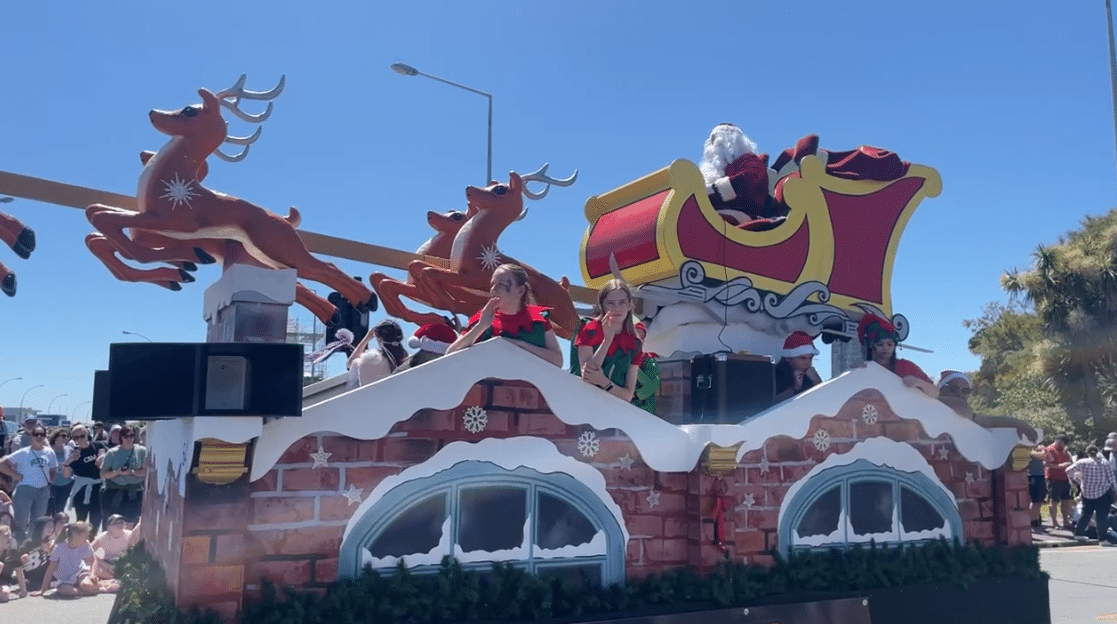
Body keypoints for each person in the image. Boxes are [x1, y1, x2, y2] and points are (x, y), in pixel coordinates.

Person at [445, 264, 564, 367]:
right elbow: (450, 354)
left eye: (501, 284)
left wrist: (517, 344)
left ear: (520, 291)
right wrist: (481, 326)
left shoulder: (539, 318)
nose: (493, 290)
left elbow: (557, 360)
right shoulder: (481, 317)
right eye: (492, 284)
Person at [572, 279, 648, 403]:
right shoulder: (589, 329)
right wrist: (607, 340)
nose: (617, 308)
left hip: (614, 410)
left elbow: (628, 395)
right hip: (583, 403)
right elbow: (588, 375)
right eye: (610, 303)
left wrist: (604, 382)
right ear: (602, 305)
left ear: (629, 305)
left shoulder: (635, 344)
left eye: (622, 302)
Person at [855, 314, 938, 398]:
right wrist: (855, 373)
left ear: (895, 345)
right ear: (871, 345)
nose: (885, 348)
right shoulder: (865, 368)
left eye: (890, 344)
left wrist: (920, 383)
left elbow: (935, 393)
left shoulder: (906, 366)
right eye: (880, 344)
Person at [936, 371, 1037, 441]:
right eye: (953, 389)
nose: (960, 394)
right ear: (939, 390)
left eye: (965, 391)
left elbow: (993, 421)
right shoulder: (929, 406)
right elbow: (962, 408)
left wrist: (1018, 423)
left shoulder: (968, 417)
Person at [0, 424, 57, 541]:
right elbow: (2, 464)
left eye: (42, 434)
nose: (39, 437)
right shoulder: (23, 452)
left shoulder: (49, 453)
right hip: (25, 489)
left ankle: (32, 543)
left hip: (42, 490)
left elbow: (53, 468)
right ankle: (18, 545)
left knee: (38, 520)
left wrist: (51, 479)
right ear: (31, 436)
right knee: (21, 520)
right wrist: (15, 475)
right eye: (36, 434)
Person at [96, 426, 146, 529]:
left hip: (133, 493)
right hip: (114, 492)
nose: (129, 439)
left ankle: (127, 544)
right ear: (121, 437)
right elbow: (103, 474)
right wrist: (118, 472)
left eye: (132, 436)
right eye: (126, 436)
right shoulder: (112, 453)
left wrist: (132, 472)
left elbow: (145, 472)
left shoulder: (141, 451)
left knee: (130, 524)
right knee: (111, 524)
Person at [1066, 445, 1117, 544]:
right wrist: (1115, 490)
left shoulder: (1082, 462)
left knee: (1086, 514)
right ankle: (1102, 539)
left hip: (1087, 493)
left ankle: (1079, 534)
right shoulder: (1104, 463)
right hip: (1102, 493)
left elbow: (1068, 470)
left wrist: (1076, 480)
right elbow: (1111, 479)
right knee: (1101, 517)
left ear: (1087, 453)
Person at [36, 521, 98, 597]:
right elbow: (50, 570)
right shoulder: (59, 547)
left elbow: (93, 560)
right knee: (64, 590)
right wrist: (42, 590)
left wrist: (92, 575)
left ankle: (91, 587)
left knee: (86, 585)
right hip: (65, 580)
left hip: (80, 572)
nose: (87, 538)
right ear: (77, 535)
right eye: (86, 535)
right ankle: (85, 591)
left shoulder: (85, 544)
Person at [62, 424, 105, 532]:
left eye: (82, 436)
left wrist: (101, 458)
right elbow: (66, 475)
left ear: (87, 435)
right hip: (81, 488)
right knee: (81, 519)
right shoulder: (73, 453)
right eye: (76, 437)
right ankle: (79, 541)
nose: (79, 439)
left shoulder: (97, 445)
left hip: (97, 486)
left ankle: (91, 540)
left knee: (96, 518)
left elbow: (101, 459)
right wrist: (69, 461)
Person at [346, 319, 409, 389]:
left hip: (371, 398)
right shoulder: (405, 359)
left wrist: (367, 338)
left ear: (380, 338)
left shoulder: (372, 359)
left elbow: (350, 363)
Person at [774, 331, 823, 401]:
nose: (808, 363)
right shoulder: (776, 374)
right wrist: (794, 388)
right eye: (803, 358)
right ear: (788, 358)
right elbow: (770, 403)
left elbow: (823, 399)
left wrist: (816, 381)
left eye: (810, 358)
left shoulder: (809, 377)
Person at [90, 514, 132, 590]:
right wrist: (102, 563)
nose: (120, 525)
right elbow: (89, 551)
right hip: (107, 564)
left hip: (123, 563)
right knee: (93, 567)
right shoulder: (103, 537)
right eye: (116, 523)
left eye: (122, 522)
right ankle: (115, 579)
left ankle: (113, 579)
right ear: (109, 527)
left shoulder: (129, 535)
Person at [1045, 435, 1075, 531]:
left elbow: (1069, 461)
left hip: (1065, 478)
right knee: (1054, 501)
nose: (1064, 445)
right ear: (1057, 440)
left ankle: (1066, 521)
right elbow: (1046, 464)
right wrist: (1060, 466)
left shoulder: (1065, 450)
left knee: (1066, 500)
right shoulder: (1050, 450)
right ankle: (1054, 522)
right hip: (1054, 479)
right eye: (1062, 443)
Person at [46, 428, 73, 516]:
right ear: (55, 437)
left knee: (59, 509)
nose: (66, 438)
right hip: (51, 484)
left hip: (66, 484)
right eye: (63, 436)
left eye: (67, 436)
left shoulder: (68, 450)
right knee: (48, 509)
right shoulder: (48, 450)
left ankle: (57, 527)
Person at [1028, 443, 1047, 531]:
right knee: (1034, 500)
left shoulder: (1038, 452)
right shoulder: (1029, 451)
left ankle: (1037, 519)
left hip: (1040, 476)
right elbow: (1039, 456)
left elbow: (1048, 458)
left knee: (1039, 501)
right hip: (1033, 476)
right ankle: (1033, 522)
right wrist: (1043, 449)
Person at [0, 525, 22, 601]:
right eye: (6, 536)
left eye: (10, 536)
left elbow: (19, 570)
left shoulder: (13, 551)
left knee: (4, 594)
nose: (9, 538)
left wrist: (23, 590)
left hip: (3, 581)